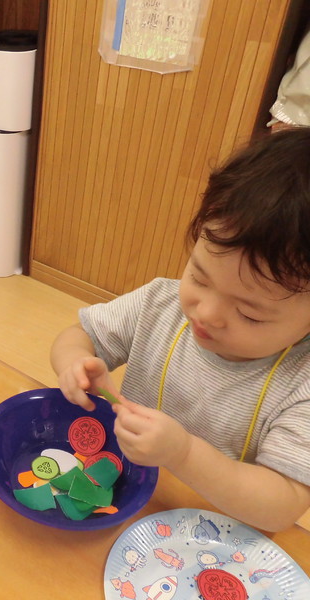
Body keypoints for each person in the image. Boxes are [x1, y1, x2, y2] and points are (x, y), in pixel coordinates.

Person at [51, 128, 310, 533]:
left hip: (212, 535)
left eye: (250, 314)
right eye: (200, 277)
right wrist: (75, 363)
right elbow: (77, 336)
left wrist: (184, 454)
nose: (205, 313)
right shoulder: (161, 304)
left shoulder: (301, 385)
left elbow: (279, 508)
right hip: (124, 500)